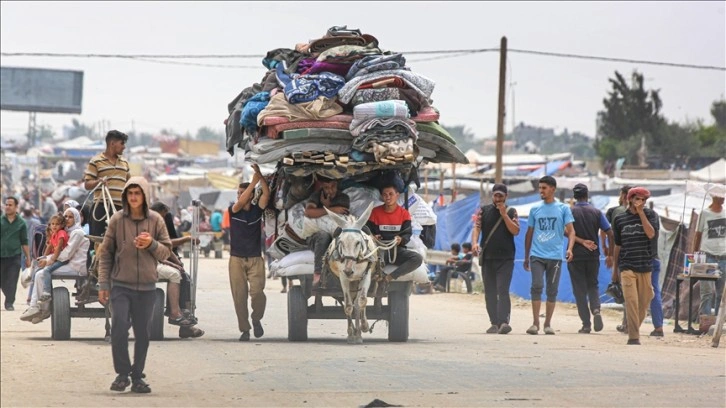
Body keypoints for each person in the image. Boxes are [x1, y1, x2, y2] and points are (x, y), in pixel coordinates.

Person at [97, 177, 172, 393]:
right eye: (130, 194)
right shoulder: (117, 220)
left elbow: (166, 250)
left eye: (137, 193)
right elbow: (106, 254)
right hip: (121, 285)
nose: (133, 198)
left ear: (145, 195)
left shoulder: (156, 220)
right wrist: (104, 283)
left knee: (143, 333)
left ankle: (138, 376)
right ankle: (122, 374)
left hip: (147, 287)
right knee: (119, 327)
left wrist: (151, 244)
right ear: (125, 196)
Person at [523, 176, 575, 335]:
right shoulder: (534, 209)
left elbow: (571, 231)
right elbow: (529, 233)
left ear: (553, 189)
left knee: (552, 290)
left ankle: (547, 323)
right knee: (536, 286)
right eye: (540, 188)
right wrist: (526, 257)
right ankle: (535, 323)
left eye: (544, 188)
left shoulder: (563, 208)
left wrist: (570, 248)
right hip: (537, 255)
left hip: (555, 257)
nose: (541, 191)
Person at [20, 208, 89, 323]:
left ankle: (42, 309)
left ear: (76, 218)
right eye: (65, 216)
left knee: (41, 274)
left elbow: (67, 254)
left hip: (76, 267)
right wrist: (45, 258)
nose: (67, 219)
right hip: (68, 263)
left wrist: (47, 261)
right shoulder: (68, 231)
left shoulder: (77, 233)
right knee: (40, 272)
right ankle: (36, 307)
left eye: (70, 217)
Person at [149, 201, 205, 338]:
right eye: (163, 216)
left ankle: (185, 320)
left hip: (160, 258)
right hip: (148, 261)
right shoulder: (148, 224)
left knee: (185, 277)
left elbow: (167, 247)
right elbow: (156, 247)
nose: (164, 219)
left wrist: (177, 261)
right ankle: (175, 313)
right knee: (176, 274)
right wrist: (186, 239)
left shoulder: (159, 224)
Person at [612, 187, 658, 345]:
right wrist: (615, 270)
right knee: (631, 301)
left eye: (644, 200)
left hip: (645, 265)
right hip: (627, 265)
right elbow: (617, 245)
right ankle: (633, 337)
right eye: (638, 199)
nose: (641, 202)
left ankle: (632, 328)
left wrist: (641, 213)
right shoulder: (619, 219)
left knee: (645, 301)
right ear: (630, 199)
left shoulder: (651, 215)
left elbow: (651, 234)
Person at [471, 183, 520, 335]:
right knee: (490, 292)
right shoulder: (484, 211)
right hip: (488, 258)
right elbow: (477, 227)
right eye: (496, 195)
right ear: (492, 195)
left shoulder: (511, 211)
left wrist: (504, 214)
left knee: (502, 290)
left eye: (501, 196)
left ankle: (504, 322)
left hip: (505, 258)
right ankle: (494, 323)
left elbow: (515, 231)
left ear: (506, 196)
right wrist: (474, 243)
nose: (498, 198)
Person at [229, 164, 270, 341]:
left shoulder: (256, 211)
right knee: (239, 297)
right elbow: (240, 203)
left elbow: (266, 196)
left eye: (242, 193)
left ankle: (256, 319)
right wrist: (253, 182)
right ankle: (245, 330)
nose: (239, 196)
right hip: (236, 259)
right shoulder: (233, 210)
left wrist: (260, 177)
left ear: (251, 196)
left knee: (257, 293)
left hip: (255, 259)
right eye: (238, 193)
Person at [568, 183, 614, 334]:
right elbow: (610, 232)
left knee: (579, 290)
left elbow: (566, 232)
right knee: (592, 285)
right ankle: (596, 310)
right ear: (587, 195)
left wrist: (580, 241)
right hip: (593, 255)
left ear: (574, 196)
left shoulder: (570, 212)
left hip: (575, 255)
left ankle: (586, 324)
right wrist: (610, 253)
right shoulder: (596, 212)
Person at [366, 184, 423, 282]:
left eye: (391, 194)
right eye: (385, 194)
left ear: (397, 195)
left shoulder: (404, 214)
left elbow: (407, 234)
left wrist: (401, 240)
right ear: (382, 196)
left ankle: (388, 277)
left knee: (417, 258)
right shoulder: (375, 212)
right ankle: (375, 277)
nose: (387, 197)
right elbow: (367, 230)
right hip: (378, 250)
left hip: (396, 251)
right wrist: (373, 236)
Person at [304, 176, 350, 289]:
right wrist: (329, 209)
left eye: (332, 186)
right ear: (321, 186)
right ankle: (318, 273)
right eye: (326, 187)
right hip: (317, 237)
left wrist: (323, 209)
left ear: (337, 184)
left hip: (336, 233)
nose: (329, 190)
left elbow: (340, 216)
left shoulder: (343, 198)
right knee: (323, 236)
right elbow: (308, 213)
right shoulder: (316, 195)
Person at [83, 130, 130, 241]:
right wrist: (98, 181)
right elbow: (87, 184)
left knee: (121, 242)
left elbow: (129, 183)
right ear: (112, 143)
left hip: (120, 208)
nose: (124, 147)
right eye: (122, 143)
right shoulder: (96, 161)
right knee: (99, 241)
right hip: (101, 208)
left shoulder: (124, 163)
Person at [694, 194, 725, 318]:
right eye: (720, 197)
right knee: (706, 292)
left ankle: (718, 321)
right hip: (708, 256)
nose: (723, 199)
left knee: (721, 293)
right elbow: (698, 234)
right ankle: (705, 321)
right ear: (714, 197)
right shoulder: (704, 213)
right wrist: (695, 254)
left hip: (724, 257)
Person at [1, 196, 31, 311]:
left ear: (16, 207)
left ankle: (9, 303)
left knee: (12, 279)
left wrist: (28, 258)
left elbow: (24, 241)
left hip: (15, 256)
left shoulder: (21, 223)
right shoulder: (1, 221)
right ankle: (8, 296)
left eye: (10, 205)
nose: (7, 207)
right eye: (6, 204)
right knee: (2, 281)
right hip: (1, 256)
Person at [36, 213, 70, 302]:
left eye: (57, 224)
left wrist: (52, 259)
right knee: (39, 268)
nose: (54, 226)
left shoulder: (61, 233)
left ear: (62, 225)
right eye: (52, 224)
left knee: (47, 270)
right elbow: (50, 246)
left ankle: (47, 292)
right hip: (56, 257)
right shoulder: (54, 234)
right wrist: (44, 256)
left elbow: (59, 247)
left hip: (62, 259)